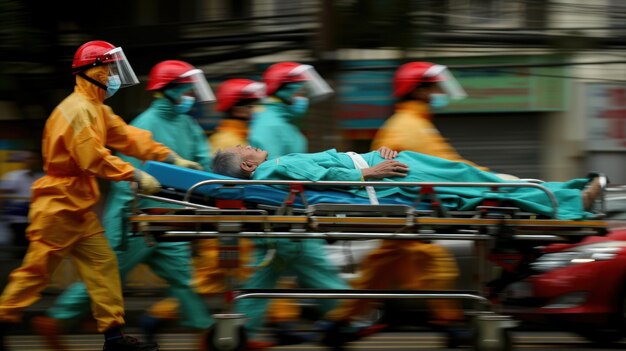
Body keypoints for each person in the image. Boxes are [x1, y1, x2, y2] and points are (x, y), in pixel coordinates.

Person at [0, 41, 202, 351]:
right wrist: (133, 174)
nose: (113, 76)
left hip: (79, 206)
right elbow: (91, 157)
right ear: (92, 71)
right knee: (36, 273)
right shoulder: (78, 111)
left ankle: (114, 338)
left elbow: (128, 137)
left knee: (104, 268)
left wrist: (171, 158)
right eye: (109, 69)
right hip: (57, 205)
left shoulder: (96, 108)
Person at [372, 61, 489, 170]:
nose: (440, 93)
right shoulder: (410, 126)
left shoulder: (414, 120)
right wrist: (488, 176)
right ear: (418, 92)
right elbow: (447, 165)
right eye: (435, 88)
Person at [249, 61, 333, 159]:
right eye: (300, 92)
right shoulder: (269, 125)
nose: (303, 98)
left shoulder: (284, 121)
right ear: (284, 93)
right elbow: (274, 168)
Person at [0, 151, 44, 258]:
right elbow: (3, 194)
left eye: (34, 159)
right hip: (18, 218)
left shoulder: (43, 177)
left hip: (38, 218)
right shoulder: (13, 176)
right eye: (29, 159)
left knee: (36, 247)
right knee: (19, 246)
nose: (31, 162)